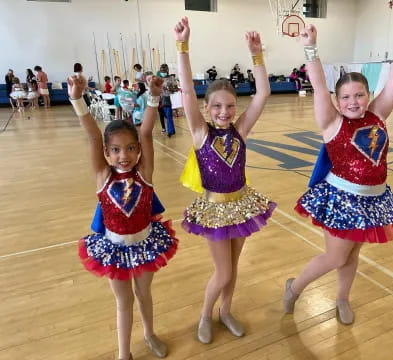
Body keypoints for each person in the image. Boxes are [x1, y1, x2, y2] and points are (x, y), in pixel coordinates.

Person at [283, 12, 393, 324]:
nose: (353, 101)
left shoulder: (378, 114)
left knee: (352, 255)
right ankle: (296, 286)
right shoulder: (332, 123)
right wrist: (311, 49)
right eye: (345, 96)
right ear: (337, 100)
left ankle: (342, 298)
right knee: (335, 256)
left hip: (374, 198)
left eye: (359, 94)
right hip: (342, 199)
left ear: (369, 95)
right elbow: (319, 86)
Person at [174, 17, 276, 344]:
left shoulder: (240, 130)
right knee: (224, 271)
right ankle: (205, 314)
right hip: (214, 210)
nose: (224, 111)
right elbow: (186, 88)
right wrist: (183, 47)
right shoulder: (200, 133)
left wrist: (256, 55)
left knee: (233, 267)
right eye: (216, 106)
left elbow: (263, 92)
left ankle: (226, 311)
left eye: (230, 105)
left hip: (242, 205)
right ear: (206, 108)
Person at [67, 73, 178, 360]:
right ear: (106, 153)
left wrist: (153, 98)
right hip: (114, 248)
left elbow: (146, 132)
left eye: (130, 149)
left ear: (138, 151)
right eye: (115, 150)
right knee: (123, 301)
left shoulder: (145, 174)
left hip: (145, 244)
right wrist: (77, 98)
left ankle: (150, 334)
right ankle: (123, 354)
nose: (123, 155)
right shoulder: (103, 176)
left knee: (144, 294)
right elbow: (93, 135)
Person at [157, 64, 177, 137]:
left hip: (168, 98)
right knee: (164, 115)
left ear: (167, 70)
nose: (163, 72)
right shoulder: (158, 79)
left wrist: (168, 88)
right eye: (161, 71)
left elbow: (175, 89)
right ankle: (169, 129)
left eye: (164, 70)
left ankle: (170, 131)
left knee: (168, 115)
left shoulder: (171, 78)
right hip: (160, 99)